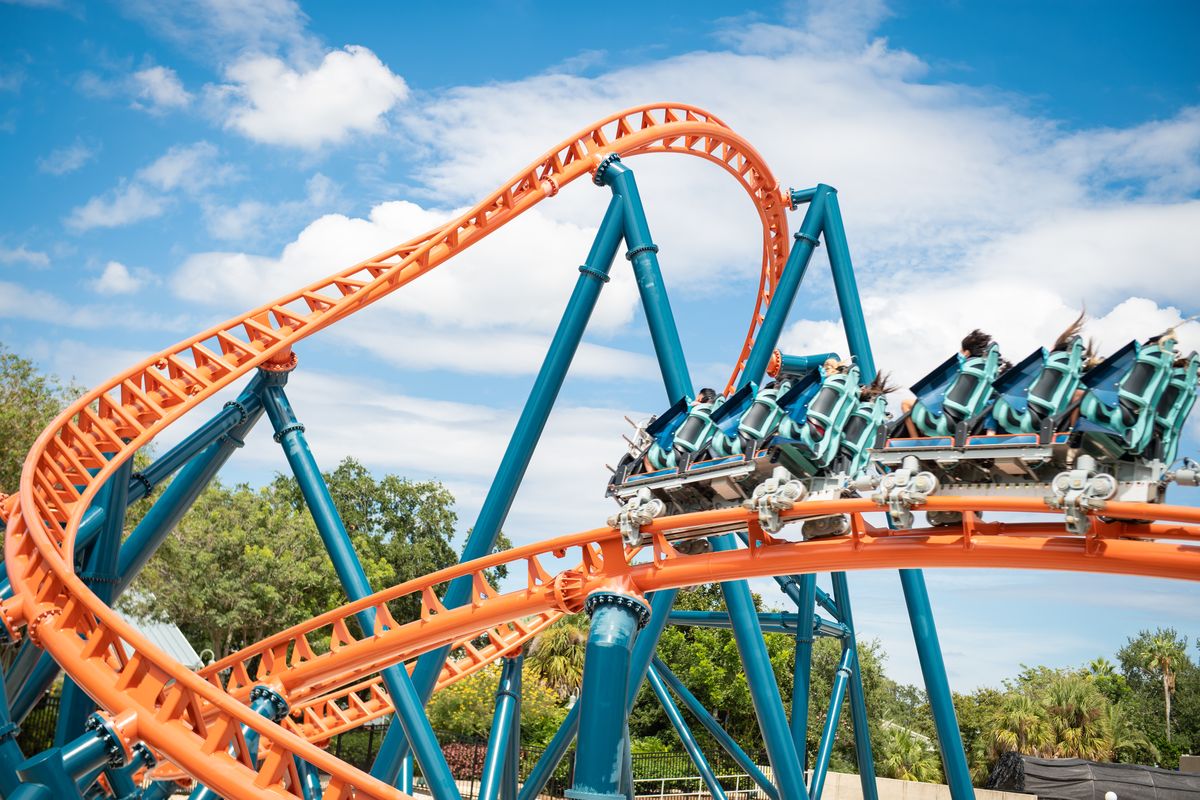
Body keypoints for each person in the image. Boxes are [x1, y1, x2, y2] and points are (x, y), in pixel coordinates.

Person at [901, 329, 998, 437]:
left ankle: (915, 439)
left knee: (905, 403)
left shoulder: (961, 369)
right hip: (963, 422)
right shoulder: (986, 375)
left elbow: (941, 392)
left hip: (943, 417)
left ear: (966, 353)